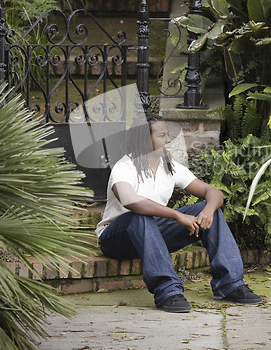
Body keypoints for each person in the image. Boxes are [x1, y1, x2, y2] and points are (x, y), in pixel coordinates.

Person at [95, 114, 262, 313]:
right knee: (141, 215)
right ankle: (168, 291)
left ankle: (230, 285)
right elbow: (131, 201)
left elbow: (214, 192)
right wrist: (176, 215)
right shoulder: (124, 167)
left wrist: (208, 211)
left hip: (154, 233)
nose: (169, 140)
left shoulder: (170, 167)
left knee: (211, 210)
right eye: (162, 135)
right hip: (116, 238)